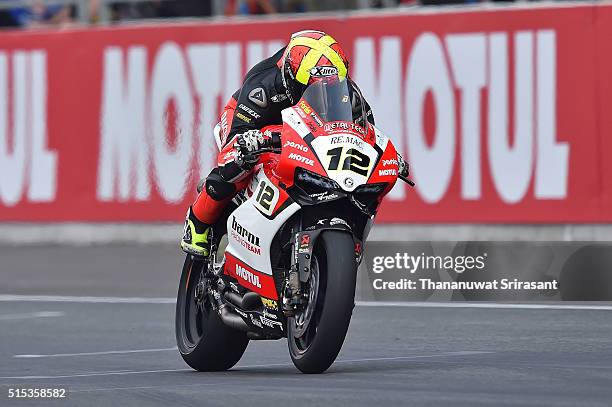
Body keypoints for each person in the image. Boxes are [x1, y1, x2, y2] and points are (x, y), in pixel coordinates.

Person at [181, 29, 375, 257]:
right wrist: (248, 144)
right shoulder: (262, 85)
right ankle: (198, 223)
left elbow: (364, 131)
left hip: (304, 130)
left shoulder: (345, 90)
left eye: (328, 87)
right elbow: (237, 139)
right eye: (310, 87)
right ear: (292, 78)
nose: (322, 92)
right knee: (237, 164)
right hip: (253, 122)